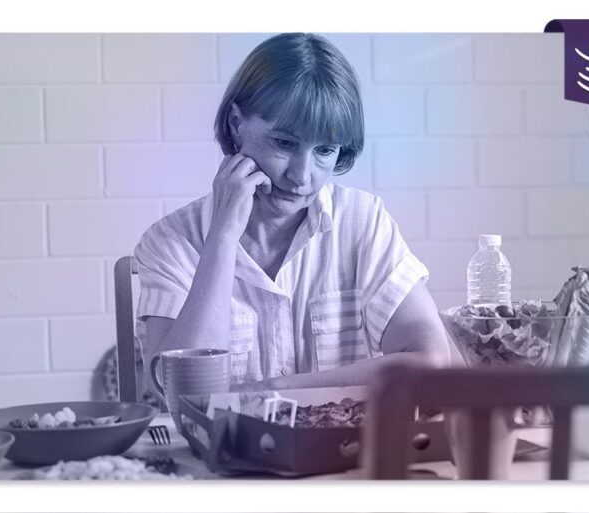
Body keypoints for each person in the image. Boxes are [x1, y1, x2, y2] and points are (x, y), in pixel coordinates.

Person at [134, 33, 449, 392]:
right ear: (237, 124)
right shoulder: (170, 241)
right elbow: (183, 392)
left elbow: (432, 363)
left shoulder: (362, 222)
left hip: (340, 447)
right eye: (284, 143)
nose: (301, 176)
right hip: (222, 449)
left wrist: (269, 392)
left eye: (325, 151)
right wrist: (222, 237)